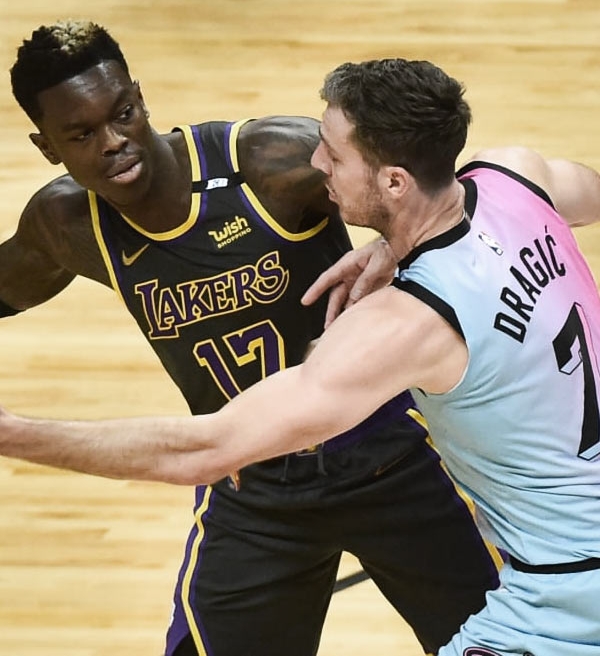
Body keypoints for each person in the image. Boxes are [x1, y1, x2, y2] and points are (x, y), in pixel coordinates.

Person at [2, 54, 599, 656]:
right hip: (261, 493)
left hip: (529, 562)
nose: (316, 163)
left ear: (395, 181)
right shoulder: (515, 181)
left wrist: (13, 433)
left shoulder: (403, 321)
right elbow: (563, 192)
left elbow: (204, 449)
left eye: (332, 155)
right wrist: (405, 244)